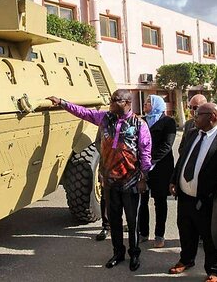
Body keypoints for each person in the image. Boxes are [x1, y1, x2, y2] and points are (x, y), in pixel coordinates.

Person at [46, 90, 152, 271]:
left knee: (133, 221)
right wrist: (62, 102)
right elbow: (83, 113)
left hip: (131, 181)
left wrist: (143, 177)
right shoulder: (105, 118)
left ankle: (134, 254)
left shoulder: (139, 124)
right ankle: (118, 253)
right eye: (111, 99)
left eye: (115, 100)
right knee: (115, 220)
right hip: (110, 181)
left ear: (127, 103)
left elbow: (146, 152)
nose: (110, 102)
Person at [169, 103, 217, 282]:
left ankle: (213, 270)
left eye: (198, 114)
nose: (194, 117)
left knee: (209, 237)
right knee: (186, 231)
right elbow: (182, 159)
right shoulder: (192, 133)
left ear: (212, 117)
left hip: (207, 200)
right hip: (184, 196)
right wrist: (174, 180)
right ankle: (186, 260)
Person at [139, 95, 176, 248]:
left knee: (160, 202)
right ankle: (143, 232)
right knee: (142, 200)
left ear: (156, 105)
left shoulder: (168, 122)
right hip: (143, 168)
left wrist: (150, 160)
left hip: (161, 167)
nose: (145, 104)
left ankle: (159, 235)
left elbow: (167, 145)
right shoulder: (142, 120)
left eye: (148, 102)